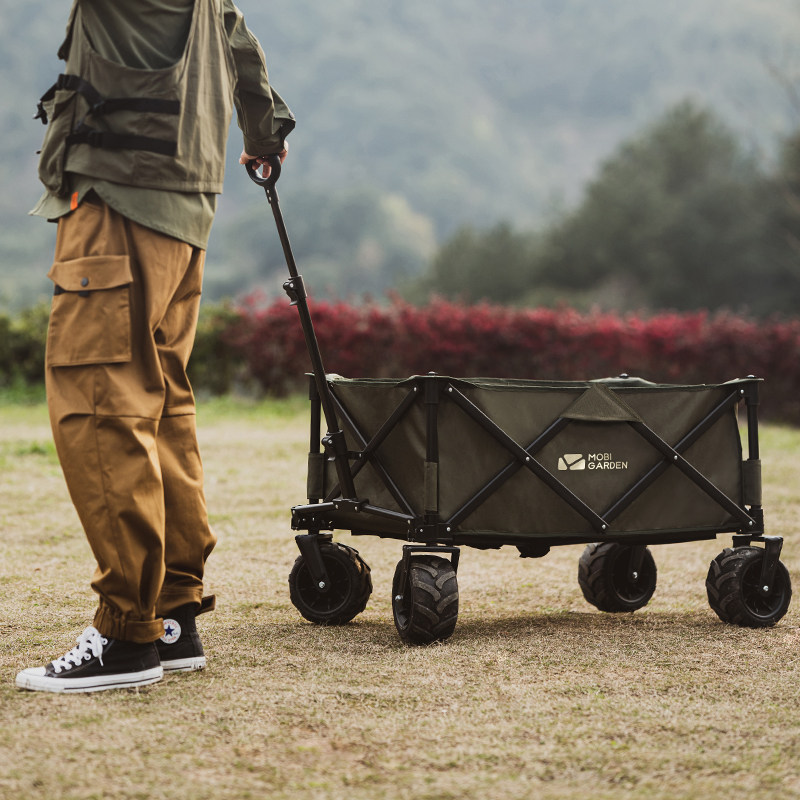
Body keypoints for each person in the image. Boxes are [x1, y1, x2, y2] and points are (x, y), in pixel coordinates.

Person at [15, 0, 293, 693]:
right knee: (158, 403)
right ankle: (171, 615)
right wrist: (264, 130)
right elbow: (234, 36)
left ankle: (126, 632)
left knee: (101, 403)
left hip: (122, 195)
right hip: (185, 198)